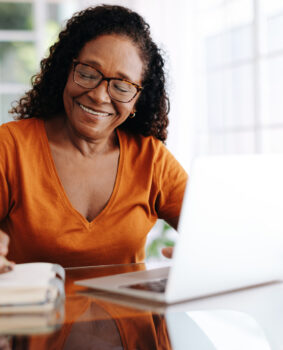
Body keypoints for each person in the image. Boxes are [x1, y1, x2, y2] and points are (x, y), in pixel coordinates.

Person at [0, 5, 187, 270]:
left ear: (137, 101)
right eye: (87, 74)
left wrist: (201, 256)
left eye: (122, 87)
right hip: (38, 311)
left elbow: (218, 234)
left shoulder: (152, 159)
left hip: (133, 313)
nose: (99, 96)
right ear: (66, 71)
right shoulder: (10, 148)